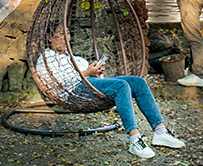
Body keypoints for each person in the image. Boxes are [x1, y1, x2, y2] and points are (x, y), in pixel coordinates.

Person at [37, 20, 184, 160]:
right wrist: (87, 73)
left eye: (67, 33)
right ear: (50, 37)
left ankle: (160, 132)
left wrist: (96, 71)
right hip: (72, 93)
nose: (65, 38)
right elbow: (56, 85)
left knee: (138, 82)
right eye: (60, 34)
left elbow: (92, 78)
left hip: (89, 85)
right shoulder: (46, 58)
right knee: (120, 86)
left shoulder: (74, 58)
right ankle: (135, 140)